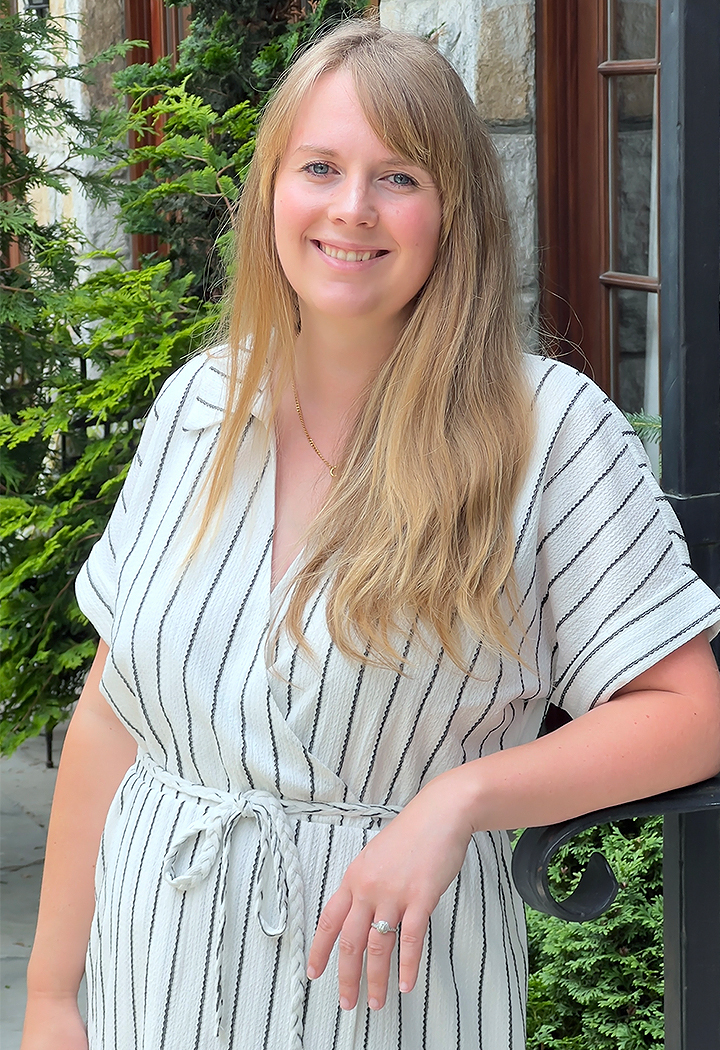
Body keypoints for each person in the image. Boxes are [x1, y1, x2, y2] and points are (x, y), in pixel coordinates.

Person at [21, 18, 720, 1050]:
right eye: (321, 166)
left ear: (456, 213)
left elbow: (690, 713)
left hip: (392, 998)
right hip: (152, 975)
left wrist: (461, 800)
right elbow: (113, 714)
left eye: (399, 177)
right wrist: (48, 996)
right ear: (272, 193)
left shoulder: (548, 433)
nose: (352, 208)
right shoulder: (200, 404)